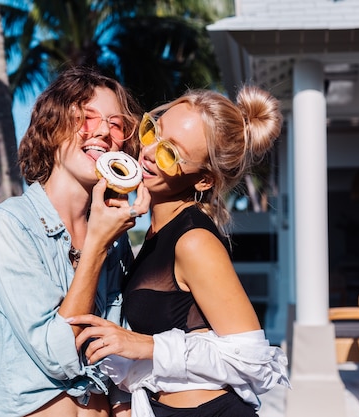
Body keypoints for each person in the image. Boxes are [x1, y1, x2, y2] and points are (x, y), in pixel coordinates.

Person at [67, 86, 291, 417]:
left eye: (170, 153)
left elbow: (253, 358)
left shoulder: (193, 241)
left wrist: (145, 345)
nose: (148, 152)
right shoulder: (157, 232)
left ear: (203, 180)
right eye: (152, 131)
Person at [0, 66, 150, 417]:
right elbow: (58, 354)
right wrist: (97, 244)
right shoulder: (12, 224)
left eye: (116, 124)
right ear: (52, 127)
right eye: (87, 118)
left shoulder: (114, 236)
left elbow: (120, 363)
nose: (103, 132)